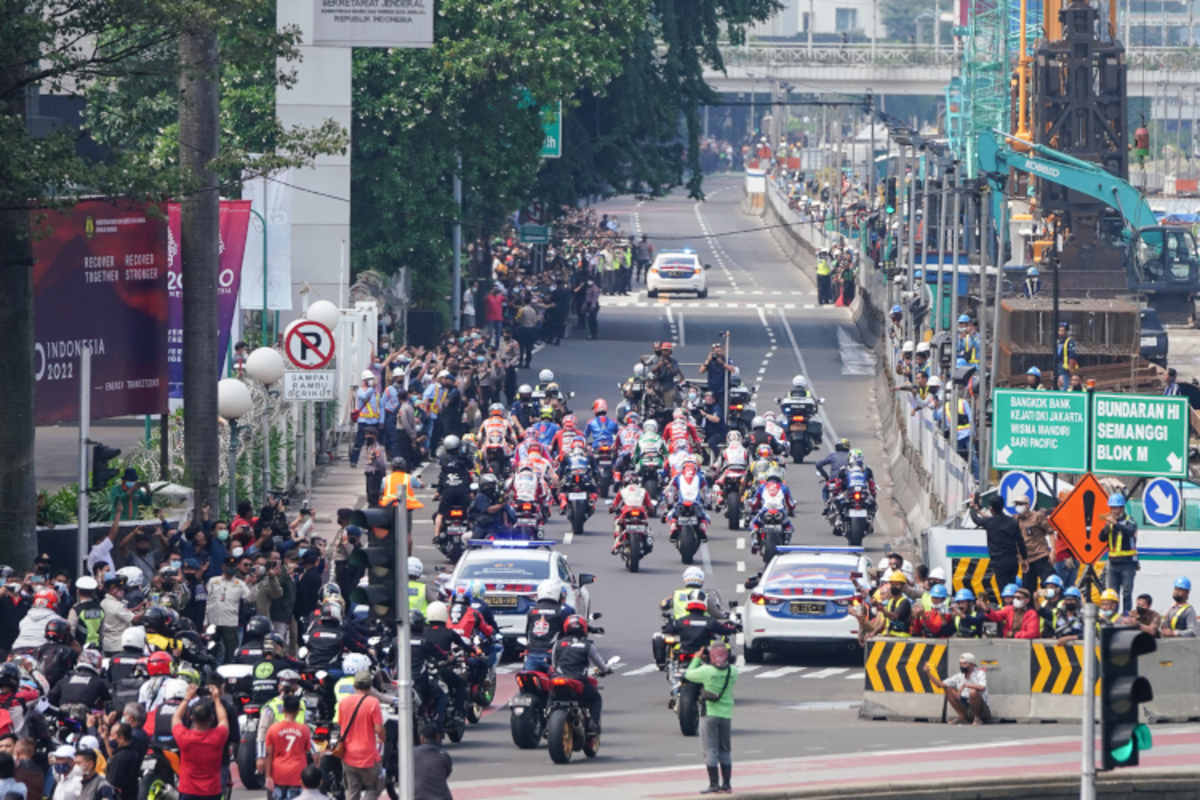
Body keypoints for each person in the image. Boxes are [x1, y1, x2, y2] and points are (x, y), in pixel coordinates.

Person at [685, 641, 737, 794]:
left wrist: (697, 658)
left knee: (710, 750)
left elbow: (688, 674)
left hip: (709, 715)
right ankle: (727, 784)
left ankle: (714, 784)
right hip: (726, 715)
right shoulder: (733, 671)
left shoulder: (706, 671)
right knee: (725, 750)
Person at [551, 615, 612, 735]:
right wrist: (606, 670)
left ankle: (546, 718)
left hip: (559, 681)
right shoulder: (587, 646)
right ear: (584, 629)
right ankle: (593, 725)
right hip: (578, 683)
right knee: (595, 698)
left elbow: (554, 664)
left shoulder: (557, 644)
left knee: (550, 698)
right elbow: (600, 664)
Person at [172, 684, 229, 800]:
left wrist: (187, 697)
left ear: (192, 718)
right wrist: (217, 699)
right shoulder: (217, 737)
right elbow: (223, 719)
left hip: (188, 790)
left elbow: (176, 718)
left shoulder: (185, 738)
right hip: (212, 791)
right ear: (212, 719)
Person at [337, 671, 384, 800]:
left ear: (355, 685)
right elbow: (379, 729)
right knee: (372, 788)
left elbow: (341, 724)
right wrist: (383, 739)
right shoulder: (373, 703)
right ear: (370, 686)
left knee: (352, 790)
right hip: (368, 754)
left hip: (348, 754)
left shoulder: (344, 702)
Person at [969, 495, 1026, 589]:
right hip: (1012, 561)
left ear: (991, 509)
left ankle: (1006, 603)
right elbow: (1020, 541)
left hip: (998, 562)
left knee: (1003, 589)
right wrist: (1024, 558)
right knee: (1012, 586)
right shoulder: (1012, 521)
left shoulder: (989, 522)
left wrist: (972, 508)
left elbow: (976, 520)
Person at [264, 694, 310, 800]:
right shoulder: (304, 730)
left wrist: (268, 776)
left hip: (278, 774)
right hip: (297, 774)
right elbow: (307, 750)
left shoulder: (273, 729)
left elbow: (268, 755)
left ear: (283, 709)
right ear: (298, 710)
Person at [924, 653, 990, 725]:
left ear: (972, 664)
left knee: (973, 692)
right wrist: (928, 673)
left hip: (982, 710)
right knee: (948, 689)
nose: (962, 666)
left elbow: (982, 687)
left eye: (964, 664)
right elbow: (940, 685)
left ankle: (977, 718)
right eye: (960, 664)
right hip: (967, 707)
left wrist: (966, 685)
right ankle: (962, 717)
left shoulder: (980, 673)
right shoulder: (959, 676)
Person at [1099, 493, 1138, 614]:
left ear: (1122, 508)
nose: (1114, 511)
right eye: (1112, 508)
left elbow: (1130, 532)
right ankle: (1112, 616)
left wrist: (1116, 524)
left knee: (1126, 592)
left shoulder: (1129, 520)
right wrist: (1106, 527)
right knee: (1112, 592)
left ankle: (1126, 615)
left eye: (1116, 508)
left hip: (1127, 563)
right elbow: (1101, 538)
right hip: (1113, 562)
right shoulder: (1109, 522)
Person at [1013, 496, 1054, 590]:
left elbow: (1050, 532)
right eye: (1016, 504)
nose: (1018, 506)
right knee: (1028, 589)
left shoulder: (1037, 516)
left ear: (1027, 505)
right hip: (1027, 560)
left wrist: (1053, 551)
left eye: (1020, 504)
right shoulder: (1015, 520)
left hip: (1041, 556)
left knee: (1049, 584)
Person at [349, 370, 382, 468]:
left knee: (372, 443)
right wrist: (371, 388)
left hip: (374, 421)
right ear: (364, 380)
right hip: (363, 421)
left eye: (371, 380)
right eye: (369, 380)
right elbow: (363, 397)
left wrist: (381, 420)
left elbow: (379, 405)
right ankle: (354, 461)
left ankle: (373, 460)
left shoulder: (375, 392)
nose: (370, 381)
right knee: (359, 442)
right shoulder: (360, 390)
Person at [413, 724, 453, 800]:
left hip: (418, 797)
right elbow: (447, 773)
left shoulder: (412, 754)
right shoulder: (444, 755)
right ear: (437, 738)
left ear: (422, 738)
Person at [360, 431, 388, 507]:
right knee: (369, 493)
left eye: (370, 434)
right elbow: (362, 460)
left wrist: (376, 458)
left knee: (375, 494)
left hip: (376, 473)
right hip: (368, 473)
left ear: (375, 436)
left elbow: (383, 464)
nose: (367, 436)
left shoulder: (379, 448)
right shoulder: (365, 447)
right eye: (366, 434)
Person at [1055, 321, 1078, 390]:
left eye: (1063, 331)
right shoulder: (1058, 342)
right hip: (1058, 369)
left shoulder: (1070, 342)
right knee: (1058, 387)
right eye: (1059, 330)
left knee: (1064, 388)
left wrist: (1071, 371)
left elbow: (1072, 356)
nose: (1061, 333)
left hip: (1065, 370)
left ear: (1066, 332)